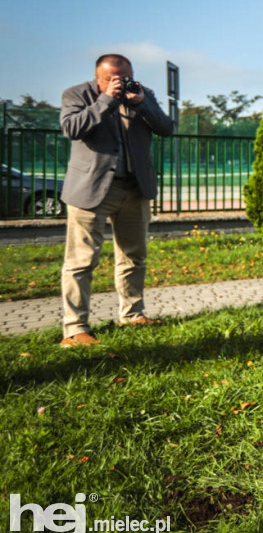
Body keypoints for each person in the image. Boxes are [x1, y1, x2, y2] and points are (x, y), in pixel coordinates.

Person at [59, 54, 175, 346]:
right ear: (99, 78)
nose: (122, 83)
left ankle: (133, 315)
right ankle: (75, 329)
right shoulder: (76, 94)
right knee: (81, 261)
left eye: (125, 77)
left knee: (134, 256)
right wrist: (106, 101)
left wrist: (142, 103)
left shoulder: (142, 94)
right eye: (114, 79)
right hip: (92, 188)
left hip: (135, 188)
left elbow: (166, 128)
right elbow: (72, 128)